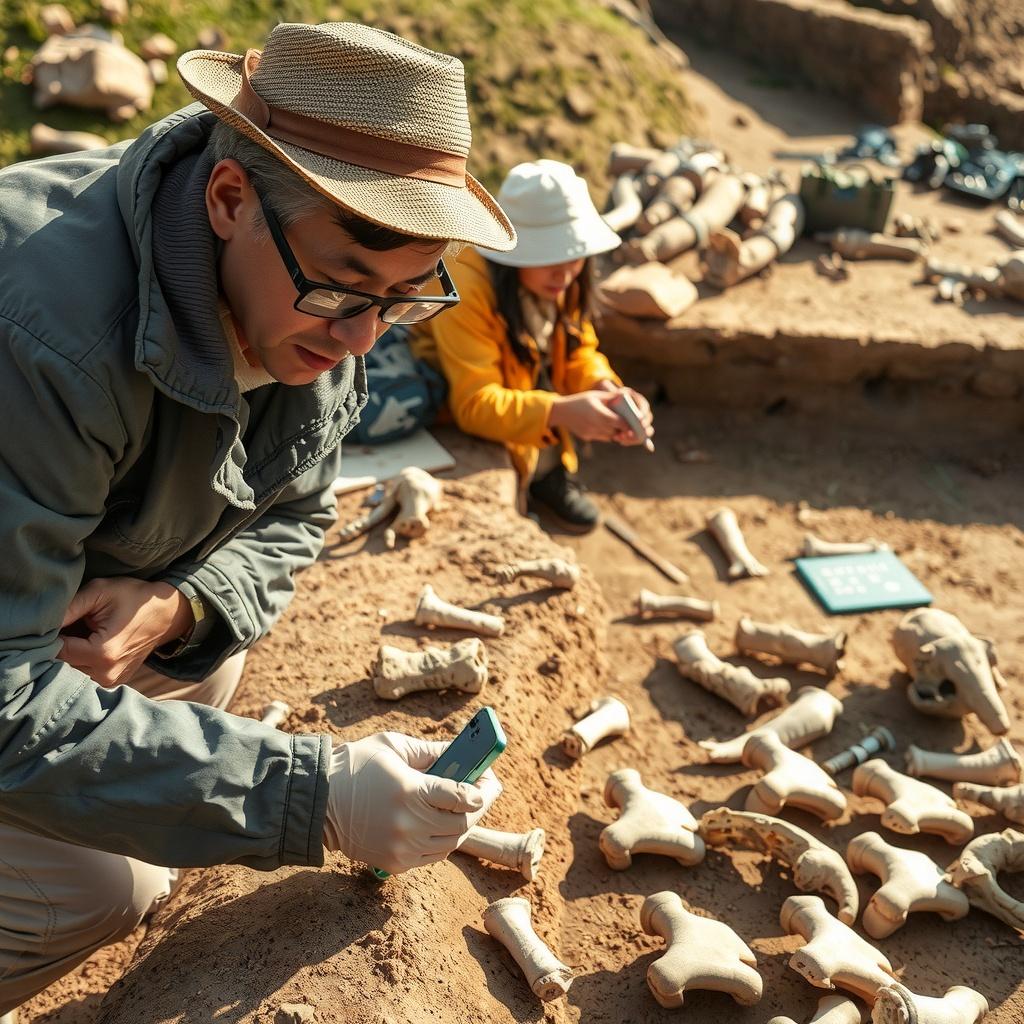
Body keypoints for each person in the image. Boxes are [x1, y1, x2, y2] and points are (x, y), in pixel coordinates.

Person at [0, 22, 514, 1015]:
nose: (363, 336)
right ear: (229, 199)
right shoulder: (42, 339)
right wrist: (311, 793)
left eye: (407, 298)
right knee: (96, 891)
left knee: (212, 658)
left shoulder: (314, 292)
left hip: (32, 619)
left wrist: (181, 608)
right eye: (348, 289)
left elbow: (296, 512)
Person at [410, 159, 654, 530]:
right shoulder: (466, 287)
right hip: (449, 384)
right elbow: (474, 403)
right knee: (538, 389)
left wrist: (603, 387)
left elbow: (578, 350)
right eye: (549, 256)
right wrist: (561, 412)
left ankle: (549, 473)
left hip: (523, 376)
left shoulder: (564, 275)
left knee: (543, 371)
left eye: (573, 255)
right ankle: (535, 475)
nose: (566, 272)